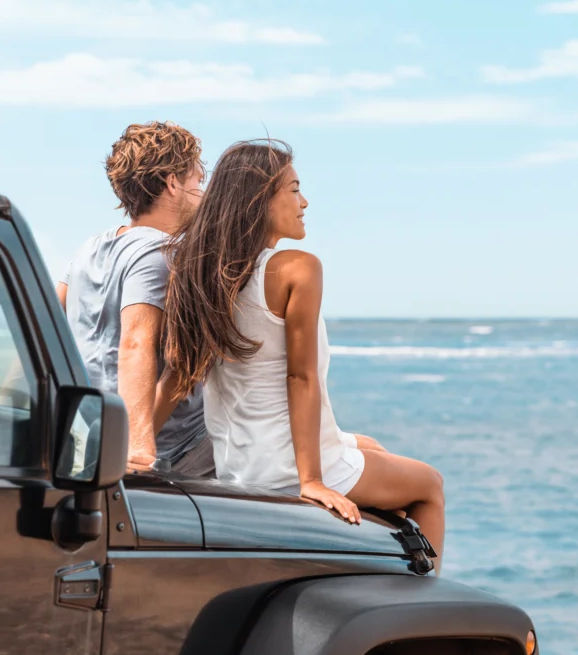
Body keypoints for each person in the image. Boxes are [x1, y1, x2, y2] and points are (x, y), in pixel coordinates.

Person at [162, 139, 446, 571]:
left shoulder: (204, 274)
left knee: (370, 446)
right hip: (289, 467)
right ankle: (422, 604)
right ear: (261, 199)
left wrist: (134, 446)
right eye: (294, 189)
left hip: (239, 466)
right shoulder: (296, 267)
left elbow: (179, 372)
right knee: (428, 485)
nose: (304, 201)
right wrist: (310, 481)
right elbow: (301, 378)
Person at [59, 121, 214, 476]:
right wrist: (139, 445)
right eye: (198, 181)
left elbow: (42, 323)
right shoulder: (159, 253)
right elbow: (136, 342)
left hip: (98, 434)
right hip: (180, 450)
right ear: (173, 183)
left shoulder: (91, 247)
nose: (203, 194)